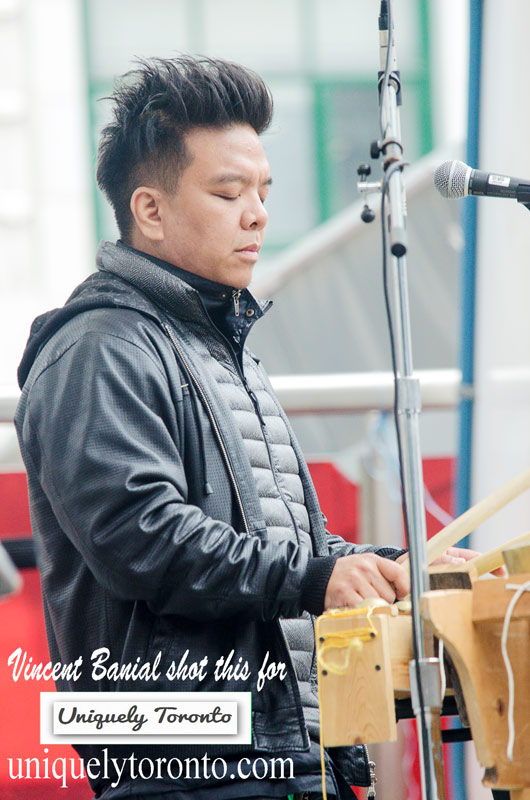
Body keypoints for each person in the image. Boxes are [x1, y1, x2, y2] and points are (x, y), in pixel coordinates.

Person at [15, 56, 469, 800]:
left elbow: (300, 548)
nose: (257, 212)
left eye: (262, 190)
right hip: (186, 767)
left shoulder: (223, 349)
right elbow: (142, 540)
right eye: (228, 192)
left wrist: (393, 566)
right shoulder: (97, 349)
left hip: (287, 757)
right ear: (149, 210)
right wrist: (317, 576)